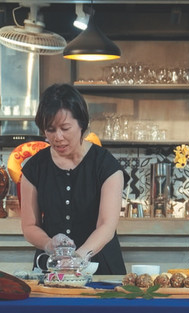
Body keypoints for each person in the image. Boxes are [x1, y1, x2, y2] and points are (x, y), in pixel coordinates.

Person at [20, 83, 126, 275]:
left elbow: (107, 225)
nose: (58, 137)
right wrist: (48, 244)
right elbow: (29, 226)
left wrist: (78, 259)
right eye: (50, 129)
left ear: (82, 124)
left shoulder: (105, 165)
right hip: (51, 268)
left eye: (65, 128)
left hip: (99, 266)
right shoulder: (34, 168)